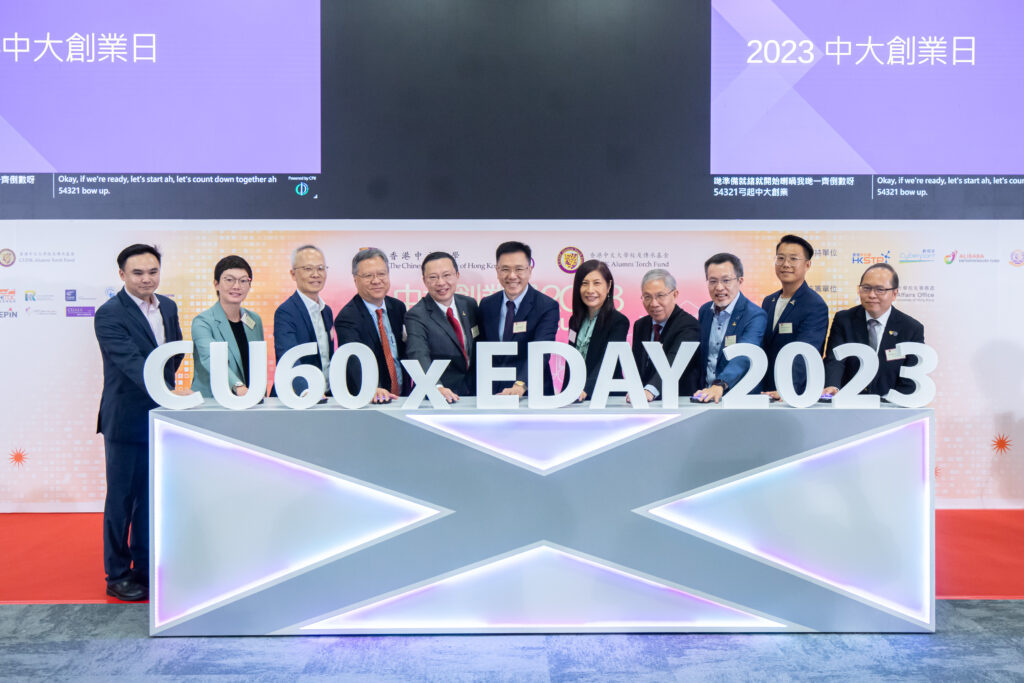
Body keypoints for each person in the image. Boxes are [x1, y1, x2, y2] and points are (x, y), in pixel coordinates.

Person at [94, 244, 183, 601]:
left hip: (160, 417)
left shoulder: (170, 306)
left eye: (152, 272)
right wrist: (166, 393)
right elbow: (133, 365)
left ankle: (145, 568)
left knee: (150, 499)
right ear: (122, 275)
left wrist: (169, 398)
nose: (147, 279)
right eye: (138, 273)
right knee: (121, 500)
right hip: (126, 420)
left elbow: (174, 354)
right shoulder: (109, 314)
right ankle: (116, 575)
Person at [823, 263, 925, 397]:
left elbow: (911, 377)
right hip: (848, 403)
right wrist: (832, 385)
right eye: (866, 288)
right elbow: (835, 359)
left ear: (894, 293)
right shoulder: (844, 320)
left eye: (880, 289)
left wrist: (892, 404)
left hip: (891, 408)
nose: (871, 295)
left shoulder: (911, 329)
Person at [478, 241, 559, 396]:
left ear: (530, 270)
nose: (512, 276)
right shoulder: (487, 304)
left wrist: (521, 384)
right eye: (505, 269)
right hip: (493, 393)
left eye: (519, 269)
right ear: (497, 271)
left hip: (533, 393)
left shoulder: (547, 306)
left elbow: (541, 350)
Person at [335, 248, 409, 402]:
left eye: (381, 274)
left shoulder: (398, 307)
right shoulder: (347, 317)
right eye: (368, 276)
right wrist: (371, 387)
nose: (376, 280)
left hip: (403, 398)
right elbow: (354, 359)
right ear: (356, 280)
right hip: (371, 399)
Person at [405, 251, 480, 401]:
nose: (441, 282)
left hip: (474, 393)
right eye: (433, 277)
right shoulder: (416, 315)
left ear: (457, 276)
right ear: (425, 280)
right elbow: (418, 354)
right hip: (441, 398)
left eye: (447, 275)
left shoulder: (469, 304)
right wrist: (435, 387)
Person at [760, 235, 829, 397]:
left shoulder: (814, 304)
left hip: (795, 392)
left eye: (793, 259)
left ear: (807, 264)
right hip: (766, 389)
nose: (785, 264)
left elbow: (806, 353)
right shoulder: (768, 301)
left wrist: (787, 389)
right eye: (781, 258)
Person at [695, 253, 768, 403]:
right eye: (713, 281)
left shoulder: (755, 315)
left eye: (726, 280)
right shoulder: (704, 311)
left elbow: (744, 355)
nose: (719, 288)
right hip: (706, 396)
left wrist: (720, 384)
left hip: (739, 398)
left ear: (740, 281)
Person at [191, 255, 265, 398]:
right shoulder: (202, 322)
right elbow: (211, 359)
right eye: (229, 280)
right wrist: (239, 387)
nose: (236, 286)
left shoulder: (254, 320)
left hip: (249, 400)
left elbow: (258, 363)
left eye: (243, 281)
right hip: (214, 402)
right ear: (216, 284)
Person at [631, 268, 700, 402]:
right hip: (643, 402)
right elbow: (637, 367)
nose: (654, 303)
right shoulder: (640, 325)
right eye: (647, 297)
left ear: (674, 295)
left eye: (660, 296)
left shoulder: (688, 324)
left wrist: (650, 390)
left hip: (679, 403)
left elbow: (673, 361)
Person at [273, 245, 334, 397]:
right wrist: (307, 391)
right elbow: (288, 357)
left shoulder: (327, 311)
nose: (316, 274)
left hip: (325, 397)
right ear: (293, 274)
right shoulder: (286, 312)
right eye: (308, 269)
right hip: (298, 397)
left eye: (320, 268)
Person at [564, 260, 630, 402]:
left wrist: (586, 390)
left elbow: (607, 361)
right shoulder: (574, 320)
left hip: (606, 397)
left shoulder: (618, 322)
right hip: (576, 396)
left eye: (597, 283)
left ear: (609, 286)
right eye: (584, 283)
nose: (590, 290)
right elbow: (571, 359)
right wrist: (565, 392)